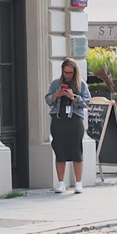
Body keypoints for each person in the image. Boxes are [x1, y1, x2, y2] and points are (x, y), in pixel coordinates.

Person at [46, 59, 88, 194]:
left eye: (70, 73)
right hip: (59, 119)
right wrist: (56, 95)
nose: (67, 75)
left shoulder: (81, 84)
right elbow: (48, 100)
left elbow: (86, 102)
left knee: (76, 150)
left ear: (74, 72)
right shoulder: (56, 84)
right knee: (60, 151)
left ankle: (78, 183)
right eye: (65, 72)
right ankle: (61, 182)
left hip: (74, 120)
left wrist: (74, 96)